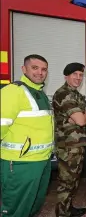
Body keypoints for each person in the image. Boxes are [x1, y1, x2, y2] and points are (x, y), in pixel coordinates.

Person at [0, 54, 54, 217]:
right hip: (21, 163)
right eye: (35, 68)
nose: (40, 72)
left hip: (41, 160)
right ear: (24, 69)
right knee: (17, 209)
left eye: (44, 69)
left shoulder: (40, 93)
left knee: (33, 206)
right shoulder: (13, 91)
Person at [52, 62, 86, 217]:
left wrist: (82, 117)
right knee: (66, 183)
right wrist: (82, 117)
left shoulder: (78, 95)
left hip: (77, 145)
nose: (78, 78)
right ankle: (62, 213)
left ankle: (68, 208)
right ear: (66, 76)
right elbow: (82, 120)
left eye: (81, 75)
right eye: (74, 74)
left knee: (74, 181)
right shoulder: (64, 94)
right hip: (67, 147)